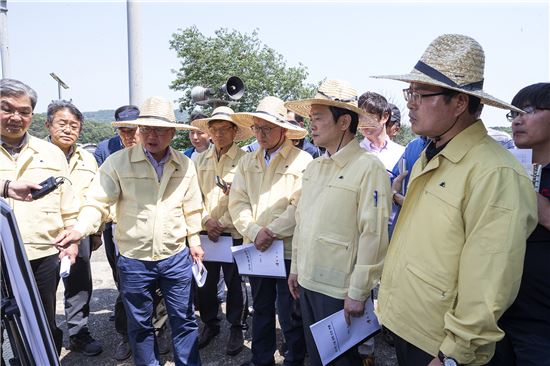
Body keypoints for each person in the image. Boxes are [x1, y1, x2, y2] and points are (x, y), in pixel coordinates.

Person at [374, 34, 538, 366]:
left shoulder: (496, 174)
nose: (410, 103)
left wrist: (454, 354)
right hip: (407, 326)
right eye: (410, 93)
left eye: (420, 94)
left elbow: (490, 283)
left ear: (460, 103)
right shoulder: (430, 153)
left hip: (438, 344)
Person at [54, 96, 204, 366]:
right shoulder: (117, 163)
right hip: (134, 260)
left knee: (184, 321)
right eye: (145, 129)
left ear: (171, 132)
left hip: (175, 258)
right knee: (140, 325)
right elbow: (96, 201)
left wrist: (194, 241)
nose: (151, 136)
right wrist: (79, 229)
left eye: (158, 130)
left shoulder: (185, 164)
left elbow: (192, 208)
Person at [285, 79, 391, 366]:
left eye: (318, 119)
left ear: (344, 122)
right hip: (307, 283)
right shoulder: (315, 167)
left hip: (339, 291)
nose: (312, 126)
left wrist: (358, 291)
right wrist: (296, 268)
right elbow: (301, 221)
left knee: (342, 361)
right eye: (311, 119)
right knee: (317, 358)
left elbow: (374, 235)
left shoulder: (369, 168)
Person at [229, 96, 312, 366]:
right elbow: (237, 202)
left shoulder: (303, 161)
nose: (261, 134)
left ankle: (294, 360)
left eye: (267, 128)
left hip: (287, 249)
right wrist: (253, 231)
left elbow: (299, 207)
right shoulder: (247, 161)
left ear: (283, 130)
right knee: (261, 308)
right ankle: (261, 358)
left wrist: (271, 231)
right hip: (257, 247)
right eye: (257, 128)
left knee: (290, 312)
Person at [0, 78, 79, 354]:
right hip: (1, 256)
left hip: (42, 254)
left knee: (43, 319)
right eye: (6, 108)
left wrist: (72, 238)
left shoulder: (51, 153)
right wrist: (6, 188)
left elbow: (68, 204)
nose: (15, 117)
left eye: (23, 111)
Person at [488, 82, 550, 365]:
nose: (517, 120)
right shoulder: (503, 171)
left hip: (542, 323)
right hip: (496, 314)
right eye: (512, 114)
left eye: (529, 110)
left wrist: (528, 195)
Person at [190, 106, 252, 356]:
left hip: (233, 231)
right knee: (205, 283)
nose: (218, 134)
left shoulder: (245, 160)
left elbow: (246, 197)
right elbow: (193, 196)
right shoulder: (200, 159)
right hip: (207, 232)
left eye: (224, 129)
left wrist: (223, 222)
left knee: (235, 284)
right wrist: (206, 220)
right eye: (214, 130)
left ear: (235, 131)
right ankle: (210, 323)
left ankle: (236, 326)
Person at [44, 100, 103, 356]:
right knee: (43, 292)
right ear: (48, 124)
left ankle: (78, 334)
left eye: (74, 126)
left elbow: (97, 197)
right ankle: (47, 339)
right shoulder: (36, 154)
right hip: (45, 236)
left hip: (80, 233)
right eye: (62, 123)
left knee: (79, 287)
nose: (68, 130)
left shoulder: (88, 158)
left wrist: (97, 232)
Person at [358, 91, 405, 170]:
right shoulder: (354, 153)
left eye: (369, 116)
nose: (364, 122)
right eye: (360, 117)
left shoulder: (402, 154)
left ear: (385, 117)